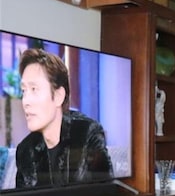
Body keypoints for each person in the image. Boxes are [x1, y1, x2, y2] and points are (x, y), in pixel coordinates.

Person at [15, 48, 113, 188]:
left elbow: (106, 194)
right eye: (24, 91)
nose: (25, 101)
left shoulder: (87, 134)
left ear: (59, 96)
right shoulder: (25, 150)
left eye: (34, 89)